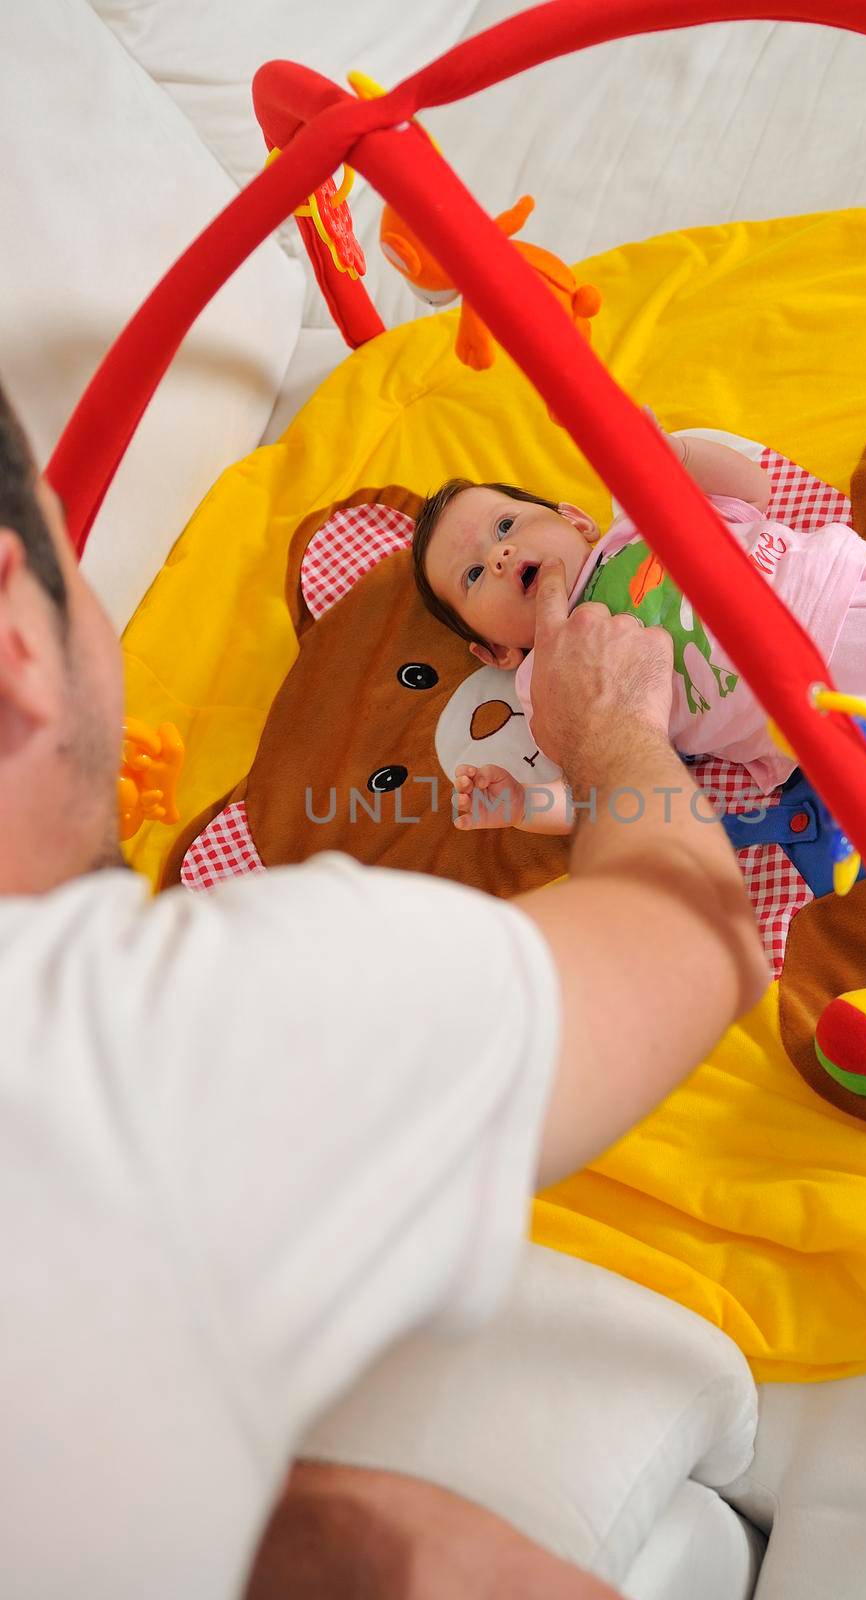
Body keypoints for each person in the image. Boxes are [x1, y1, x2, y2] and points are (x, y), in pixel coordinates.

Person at [0, 376, 769, 1600]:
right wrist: (616, 729)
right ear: (19, 640)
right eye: (478, 563)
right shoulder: (168, 1043)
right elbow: (693, 935)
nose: (512, 552)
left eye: (520, 522)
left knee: (363, 1534)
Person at [412, 427, 866, 833]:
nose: (497, 557)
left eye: (505, 526)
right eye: (472, 576)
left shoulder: (637, 515)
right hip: (843, 696)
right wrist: (524, 807)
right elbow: (594, 790)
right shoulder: (548, 681)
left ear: (576, 520)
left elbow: (751, 490)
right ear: (493, 649)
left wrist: (672, 455)